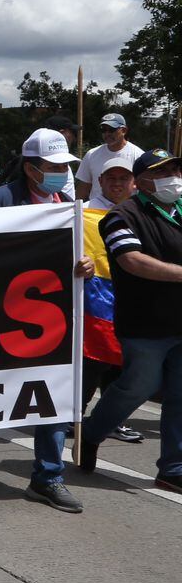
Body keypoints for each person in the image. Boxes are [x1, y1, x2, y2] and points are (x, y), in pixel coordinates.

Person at [0, 129, 94, 513]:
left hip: (51, 318)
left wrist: (84, 266)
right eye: (54, 166)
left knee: (52, 395)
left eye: (66, 166)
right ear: (30, 168)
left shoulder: (68, 202)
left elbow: (77, 257)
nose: (62, 172)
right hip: (0, 315)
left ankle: (48, 477)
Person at [81, 149, 182, 490]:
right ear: (141, 182)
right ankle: (92, 432)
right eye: (162, 171)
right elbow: (132, 261)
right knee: (138, 386)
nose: (172, 176)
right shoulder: (122, 216)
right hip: (146, 324)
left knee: (181, 394)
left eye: (174, 169)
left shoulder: (181, 211)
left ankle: (173, 468)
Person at [75, 113, 142, 202]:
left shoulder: (138, 155)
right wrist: (77, 210)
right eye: (103, 130)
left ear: (124, 130)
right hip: (96, 212)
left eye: (111, 130)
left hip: (126, 212)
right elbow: (83, 187)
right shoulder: (91, 154)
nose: (107, 134)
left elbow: (143, 188)